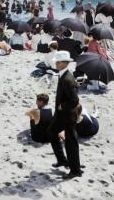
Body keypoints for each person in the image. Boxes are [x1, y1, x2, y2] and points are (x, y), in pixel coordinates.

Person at [47, 51, 82, 179]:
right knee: (51, 131)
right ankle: (62, 160)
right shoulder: (63, 74)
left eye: (57, 61)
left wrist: (63, 106)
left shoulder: (67, 79)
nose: (56, 63)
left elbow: (75, 100)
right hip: (61, 114)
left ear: (64, 63)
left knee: (71, 143)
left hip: (68, 115)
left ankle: (75, 170)